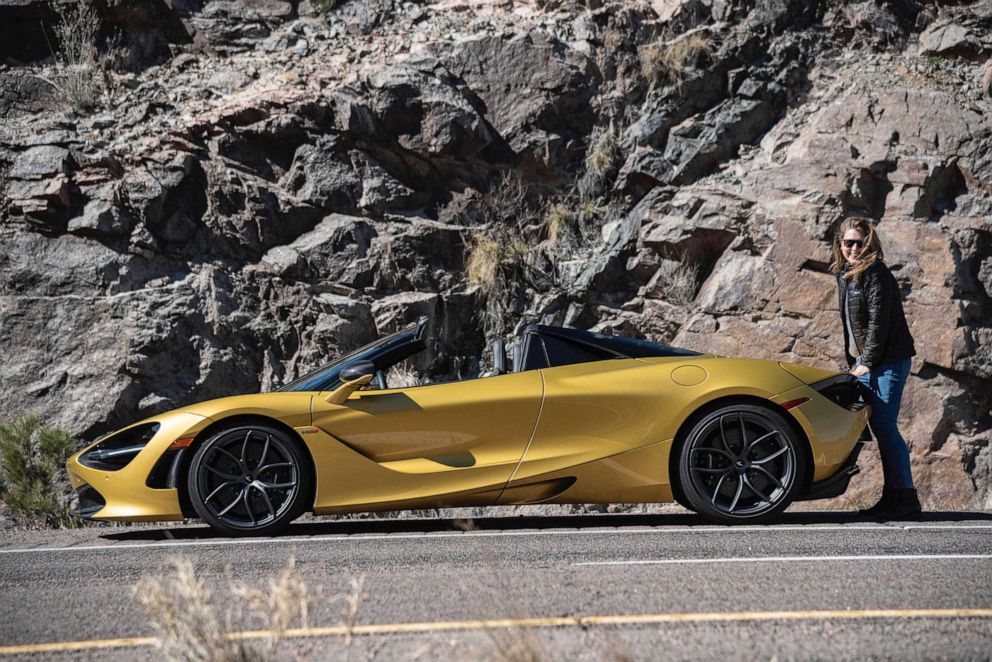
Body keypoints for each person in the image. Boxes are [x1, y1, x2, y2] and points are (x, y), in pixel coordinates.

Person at [831, 217, 921, 520]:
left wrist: (865, 363)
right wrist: (858, 362)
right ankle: (893, 497)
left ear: (869, 243)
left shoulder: (875, 274)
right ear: (840, 244)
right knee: (881, 428)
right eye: (848, 243)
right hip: (869, 361)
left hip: (889, 361)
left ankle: (906, 498)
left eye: (859, 243)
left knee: (885, 426)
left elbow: (878, 325)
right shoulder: (845, 274)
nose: (853, 248)